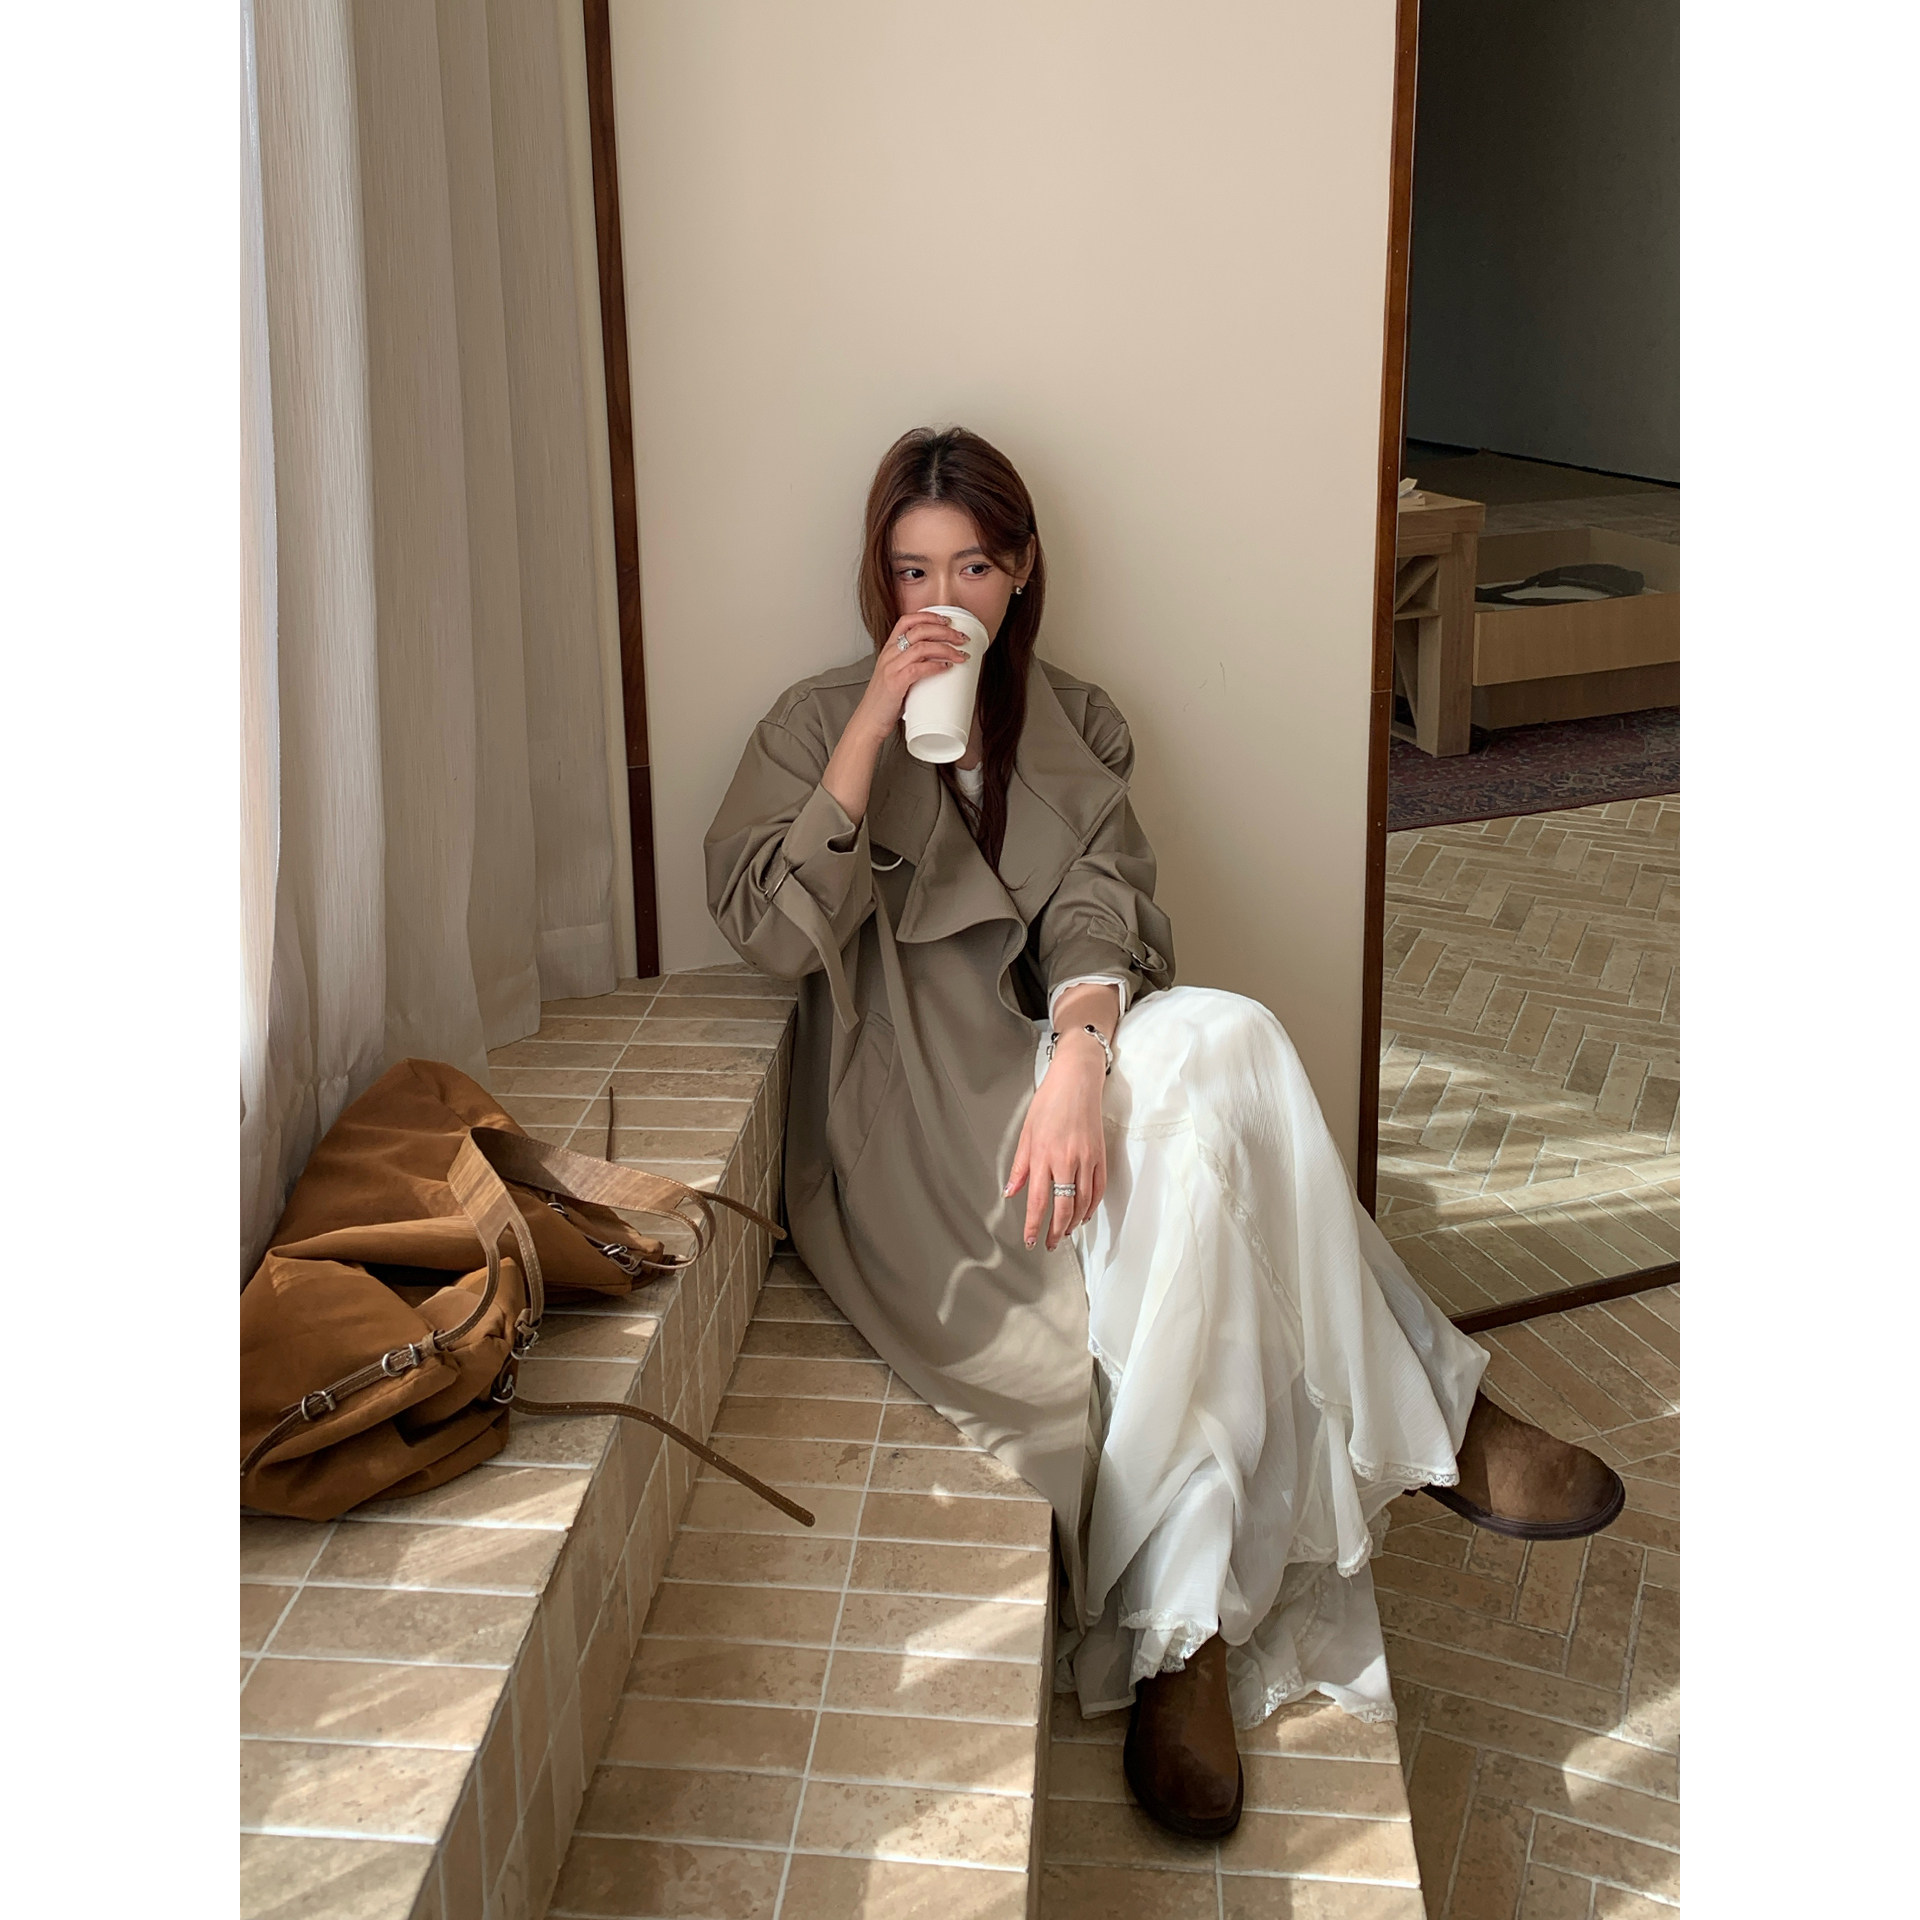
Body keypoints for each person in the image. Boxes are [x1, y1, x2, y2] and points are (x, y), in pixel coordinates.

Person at [704, 426, 1622, 1839]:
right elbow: (769, 934)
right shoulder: (812, 722)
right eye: (911, 571)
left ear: (1022, 571)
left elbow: (1104, 909)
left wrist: (1079, 1060)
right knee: (1202, 1179)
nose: (940, 600)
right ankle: (1435, 1410)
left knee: (1228, 1044)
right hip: (920, 1123)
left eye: (971, 568)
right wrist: (870, 729)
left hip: (1068, 1070)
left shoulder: (1079, 720)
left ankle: (1181, 1643)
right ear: (879, 579)